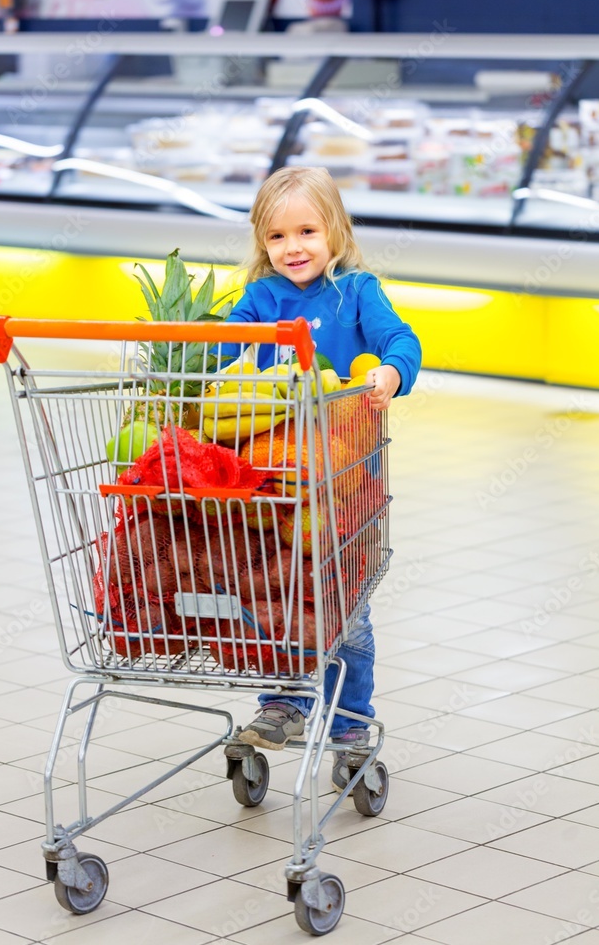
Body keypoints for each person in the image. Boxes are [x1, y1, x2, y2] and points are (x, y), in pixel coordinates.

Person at [224, 165, 421, 793]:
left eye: (307, 230)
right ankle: (282, 701)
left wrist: (389, 373)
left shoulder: (357, 291)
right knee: (275, 590)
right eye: (277, 236)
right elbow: (224, 348)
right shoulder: (260, 300)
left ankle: (351, 719)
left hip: (344, 478)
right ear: (263, 243)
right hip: (278, 478)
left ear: (335, 231)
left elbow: (401, 340)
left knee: (348, 607)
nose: (294, 248)